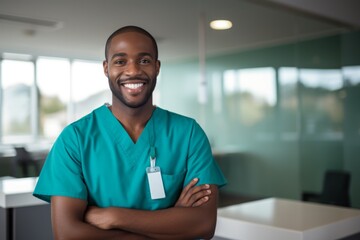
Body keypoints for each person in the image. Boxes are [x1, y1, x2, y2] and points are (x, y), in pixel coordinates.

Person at [33, 25, 227, 239]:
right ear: (106, 68)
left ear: (157, 66)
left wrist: (115, 217)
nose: (133, 70)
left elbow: (203, 225)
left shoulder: (189, 133)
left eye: (144, 60)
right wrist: (172, 221)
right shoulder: (75, 139)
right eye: (120, 61)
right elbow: (68, 234)